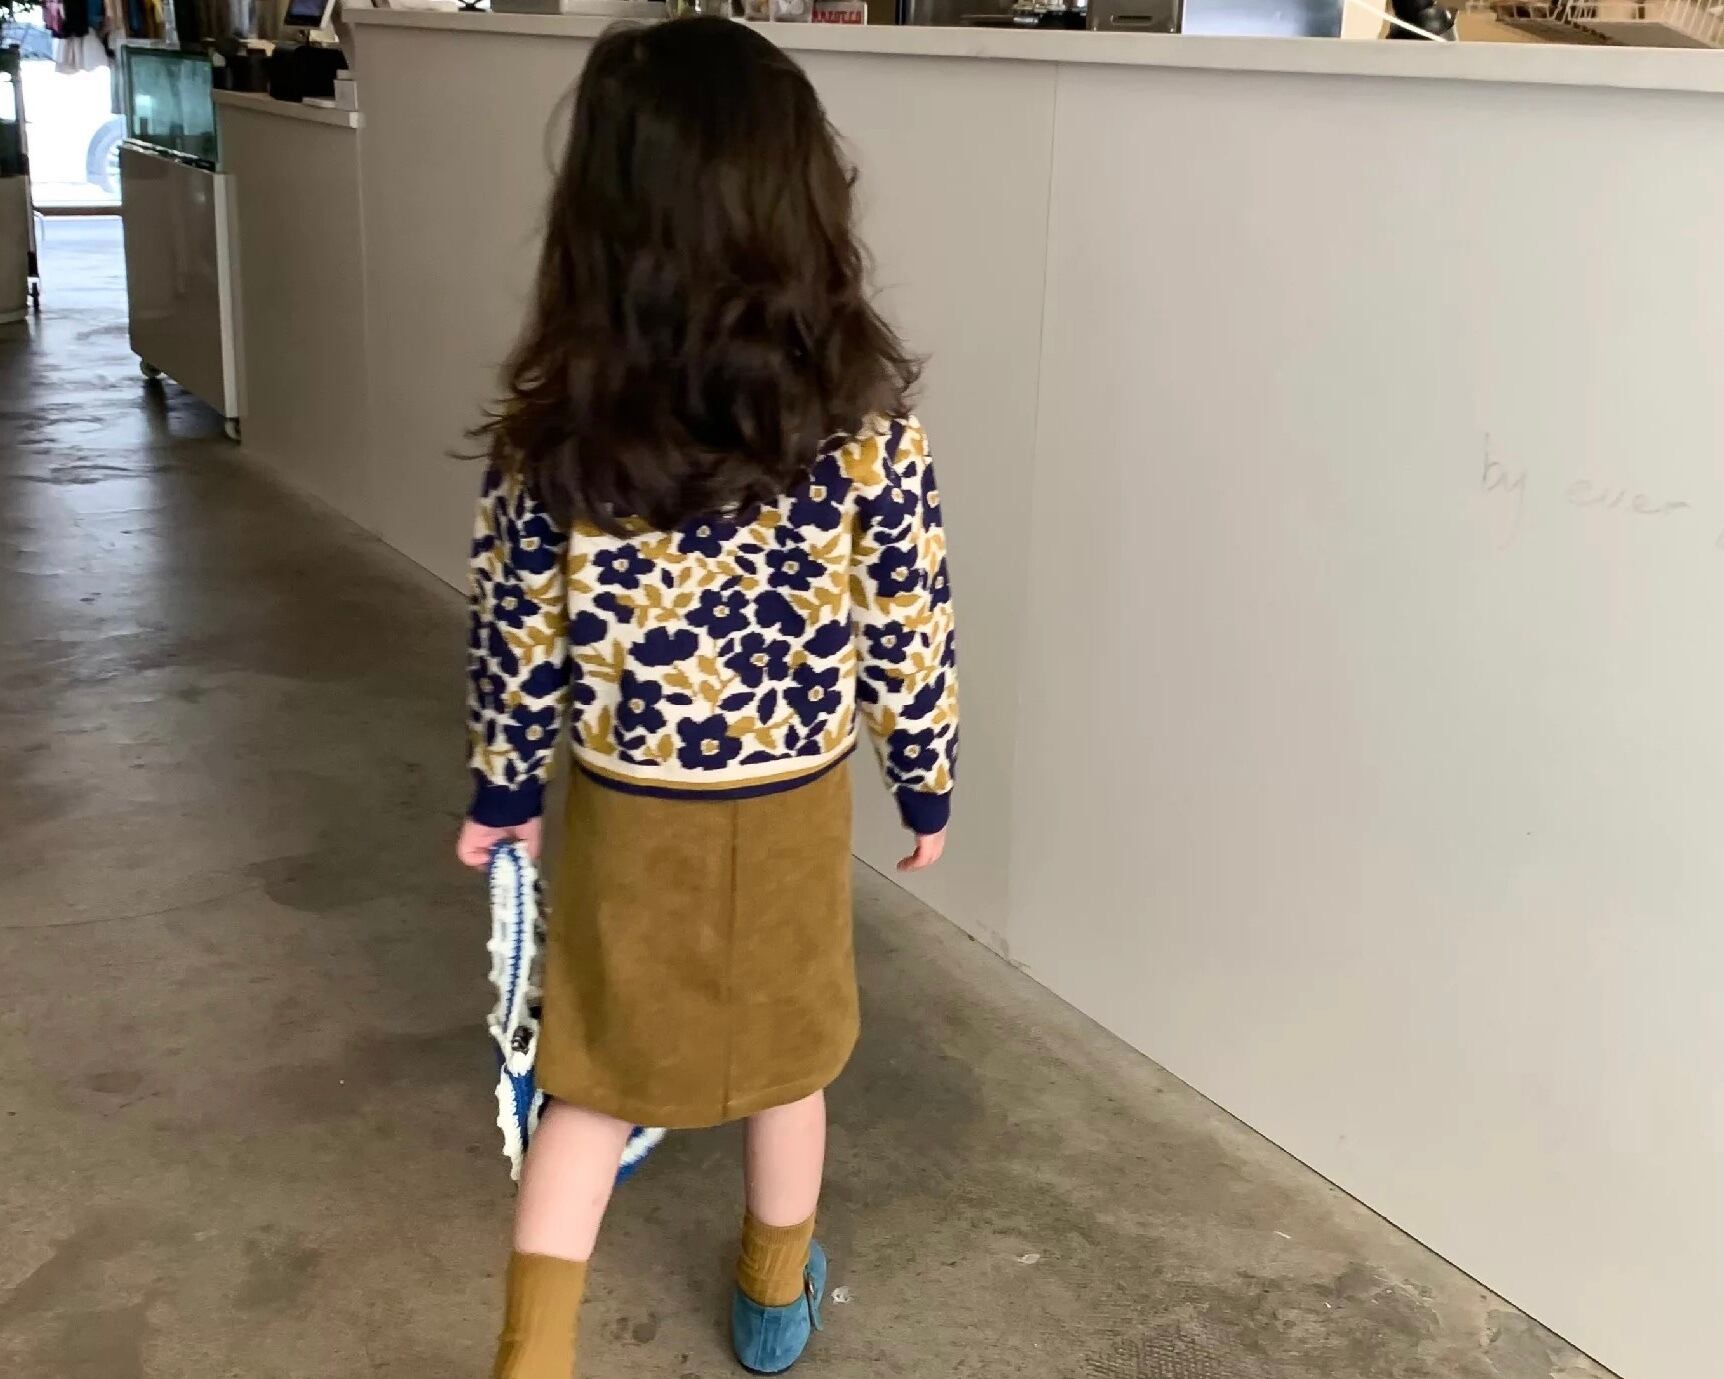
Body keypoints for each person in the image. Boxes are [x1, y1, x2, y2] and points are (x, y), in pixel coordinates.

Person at [454, 18, 958, 1379]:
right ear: (807, 210)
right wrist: (924, 776)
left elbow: (517, 632)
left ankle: (531, 1357)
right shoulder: (865, 431)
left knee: (590, 1084)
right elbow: (906, 618)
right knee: (791, 1068)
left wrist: (505, 785)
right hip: (791, 805)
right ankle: (773, 1304)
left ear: (599, 227)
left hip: (632, 811)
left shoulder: (559, 438)